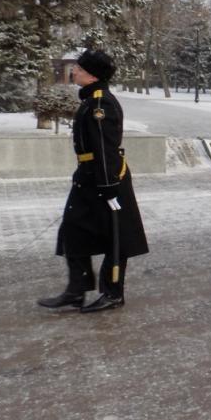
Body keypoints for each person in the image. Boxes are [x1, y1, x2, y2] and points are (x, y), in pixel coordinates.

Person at [38, 49, 148, 312]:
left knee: (115, 236)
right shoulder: (90, 100)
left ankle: (113, 294)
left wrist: (109, 186)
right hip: (88, 177)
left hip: (106, 179)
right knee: (73, 231)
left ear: (91, 74)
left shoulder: (100, 104)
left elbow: (104, 146)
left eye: (78, 68)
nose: (73, 71)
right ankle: (76, 290)